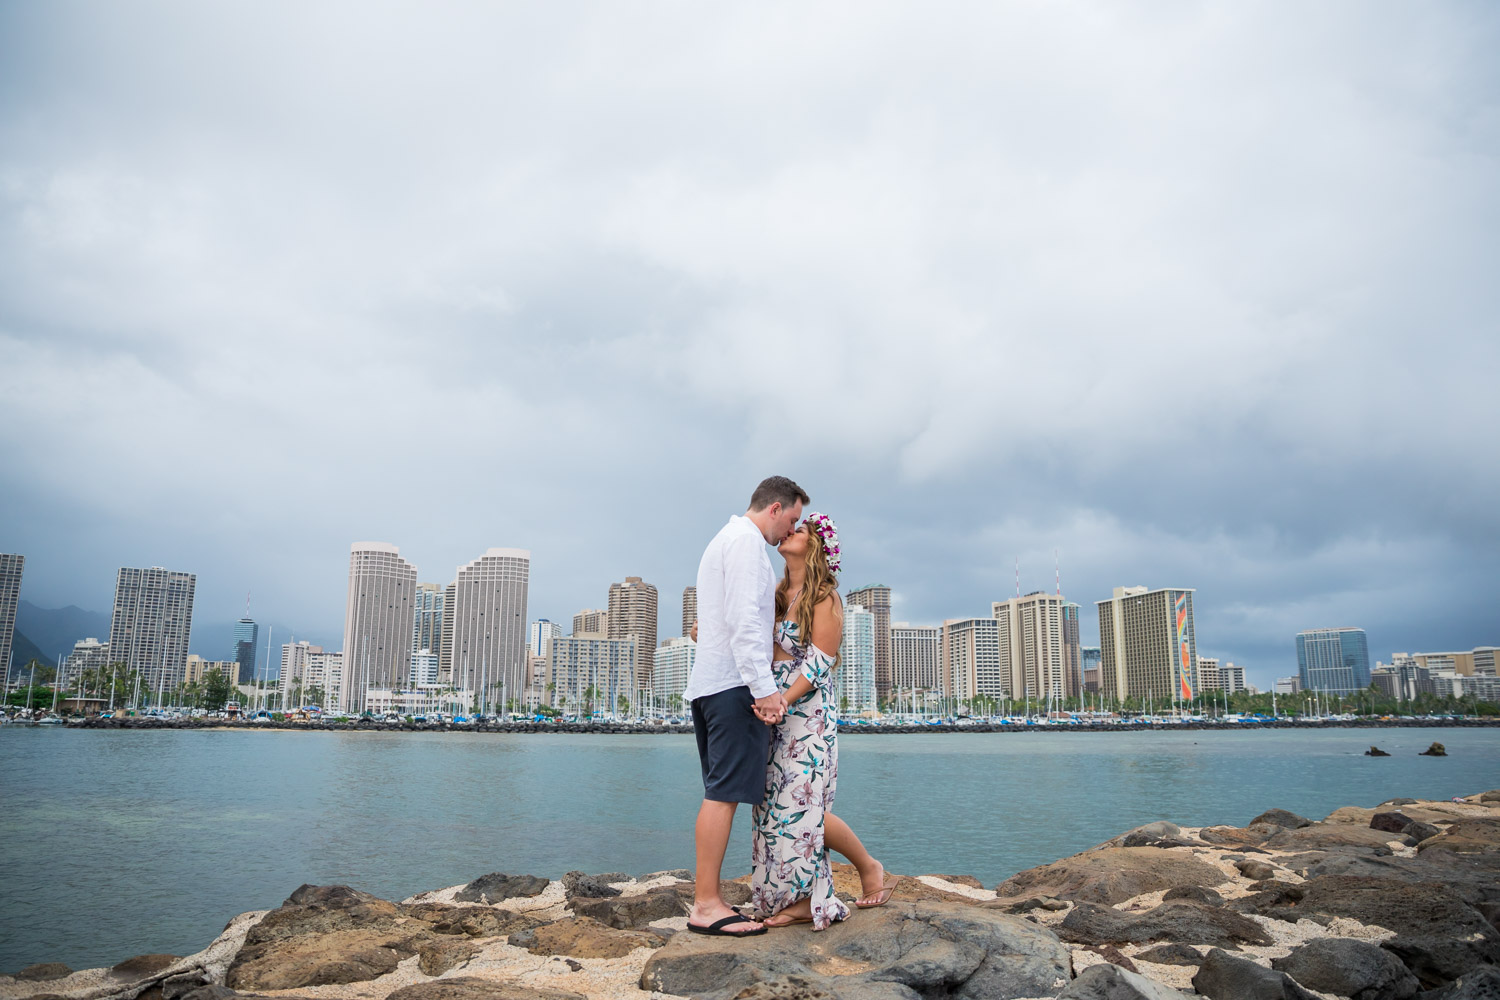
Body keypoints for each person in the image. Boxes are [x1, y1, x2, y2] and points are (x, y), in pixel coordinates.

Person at [751, 512, 896, 929]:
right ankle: (782, 895)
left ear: (816, 545)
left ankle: (865, 869)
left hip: (805, 710)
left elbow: (820, 662)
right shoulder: (777, 592)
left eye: (799, 529)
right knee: (769, 805)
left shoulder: (825, 596)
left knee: (800, 802)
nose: (788, 531)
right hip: (770, 707)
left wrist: (781, 700)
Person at [683, 475, 810, 936]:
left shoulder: (726, 538)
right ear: (774, 508)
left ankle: (708, 898)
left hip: (713, 686)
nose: (789, 530)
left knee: (721, 792)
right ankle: (706, 904)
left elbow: (720, 619)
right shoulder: (747, 545)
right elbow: (743, 624)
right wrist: (764, 690)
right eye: (792, 518)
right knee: (723, 794)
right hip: (733, 688)